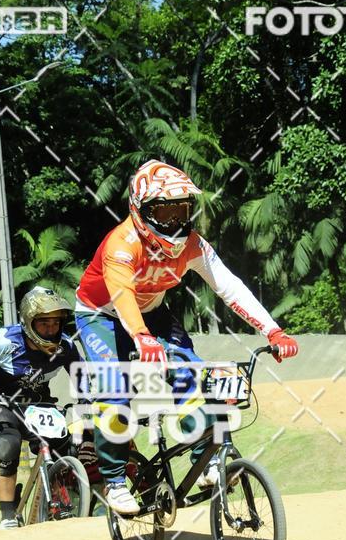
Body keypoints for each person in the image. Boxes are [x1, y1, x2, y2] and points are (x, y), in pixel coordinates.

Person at [75, 159, 298, 515]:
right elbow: (120, 296)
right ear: (141, 211)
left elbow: (229, 286)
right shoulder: (121, 244)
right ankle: (115, 482)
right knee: (113, 388)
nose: (176, 221)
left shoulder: (193, 244)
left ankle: (207, 460)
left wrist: (272, 329)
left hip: (152, 313)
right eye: (165, 213)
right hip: (101, 315)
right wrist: (143, 338)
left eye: (182, 210)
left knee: (194, 376)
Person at [0, 286, 84, 529]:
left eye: (55, 323)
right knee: (7, 444)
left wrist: (89, 400)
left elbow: (83, 376)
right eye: (44, 323)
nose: (51, 329)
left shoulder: (65, 346)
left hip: (39, 407)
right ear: (29, 322)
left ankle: (62, 504)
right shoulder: (1, 340)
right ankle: (8, 515)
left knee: (67, 447)